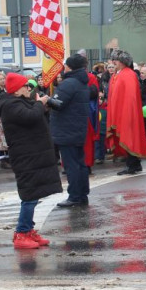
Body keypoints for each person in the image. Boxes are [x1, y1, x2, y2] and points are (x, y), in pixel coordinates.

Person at [0, 73, 62, 249]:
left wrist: (42, 104)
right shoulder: (10, 105)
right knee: (29, 196)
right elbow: (30, 117)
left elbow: (33, 113)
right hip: (26, 156)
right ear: (17, 90)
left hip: (33, 155)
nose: (29, 89)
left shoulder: (18, 102)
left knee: (34, 194)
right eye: (26, 86)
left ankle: (28, 230)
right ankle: (21, 232)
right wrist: (40, 104)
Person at [51, 54, 96, 204]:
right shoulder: (81, 82)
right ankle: (82, 194)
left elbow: (58, 103)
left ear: (70, 67)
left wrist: (45, 100)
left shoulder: (69, 83)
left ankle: (75, 196)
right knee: (80, 163)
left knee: (72, 165)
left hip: (67, 130)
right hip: (77, 128)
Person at [104, 49, 146, 175]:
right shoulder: (116, 75)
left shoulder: (128, 74)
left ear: (123, 61)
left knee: (130, 137)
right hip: (119, 112)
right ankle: (133, 164)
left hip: (127, 112)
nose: (114, 62)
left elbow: (131, 97)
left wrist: (128, 113)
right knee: (126, 137)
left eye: (116, 60)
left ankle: (133, 164)